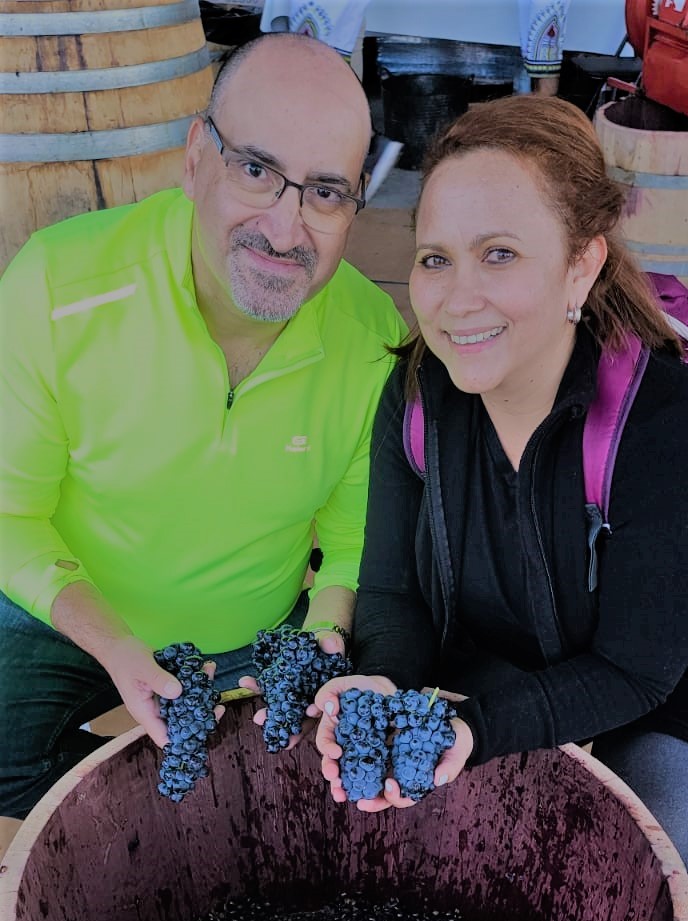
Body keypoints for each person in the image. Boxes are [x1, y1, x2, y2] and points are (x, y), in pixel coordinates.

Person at [315, 95, 688, 920]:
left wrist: (480, 730)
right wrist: (385, 683)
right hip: (498, 662)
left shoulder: (665, 426)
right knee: (431, 827)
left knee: (637, 840)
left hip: (664, 682)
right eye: (435, 258)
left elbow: (636, 669)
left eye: (499, 254)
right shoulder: (417, 394)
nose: (457, 299)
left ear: (581, 265)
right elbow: (391, 592)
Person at [0, 33, 405, 823]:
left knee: (288, 805)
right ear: (195, 159)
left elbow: (354, 537)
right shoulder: (55, 286)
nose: (285, 230)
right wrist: (114, 646)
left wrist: (323, 633)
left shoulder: (372, 336)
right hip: (68, 611)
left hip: (254, 634)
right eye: (256, 171)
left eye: (326, 192)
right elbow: (8, 514)